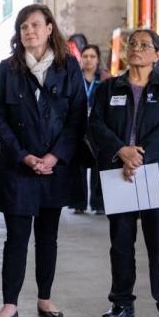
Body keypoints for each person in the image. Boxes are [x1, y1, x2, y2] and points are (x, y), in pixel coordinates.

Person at [0, 3, 86, 317]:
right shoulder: (8, 68)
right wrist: (24, 156)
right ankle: (9, 304)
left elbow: (77, 118)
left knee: (48, 237)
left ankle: (45, 297)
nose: (28, 31)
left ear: (49, 29)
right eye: (23, 27)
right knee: (16, 237)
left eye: (34, 25)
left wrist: (54, 157)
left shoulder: (68, 67)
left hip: (54, 168)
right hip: (19, 167)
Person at [88, 28, 159, 317]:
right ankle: (121, 303)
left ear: (158, 55)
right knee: (120, 243)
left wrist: (137, 157)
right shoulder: (108, 88)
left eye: (146, 45)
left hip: (155, 174)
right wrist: (121, 152)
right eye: (133, 44)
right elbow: (95, 125)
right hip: (119, 173)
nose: (137, 49)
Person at [68, 44, 105, 215]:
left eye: (92, 56)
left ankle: (98, 203)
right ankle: (79, 203)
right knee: (79, 165)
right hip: (78, 125)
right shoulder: (73, 78)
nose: (88, 60)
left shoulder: (105, 80)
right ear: (80, 60)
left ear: (98, 60)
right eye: (85, 56)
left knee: (99, 164)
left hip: (98, 126)